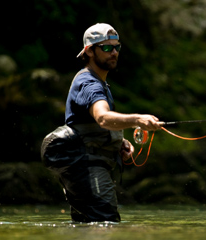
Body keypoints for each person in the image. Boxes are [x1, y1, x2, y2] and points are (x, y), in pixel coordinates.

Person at [41, 23, 161, 222]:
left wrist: (117, 142)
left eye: (117, 47)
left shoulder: (99, 83)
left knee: (88, 226)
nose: (114, 52)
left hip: (88, 168)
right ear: (89, 51)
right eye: (106, 48)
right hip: (88, 168)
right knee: (106, 223)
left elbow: (93, 126)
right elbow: (103, 118)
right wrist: (138, 119)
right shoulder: (89, 83)